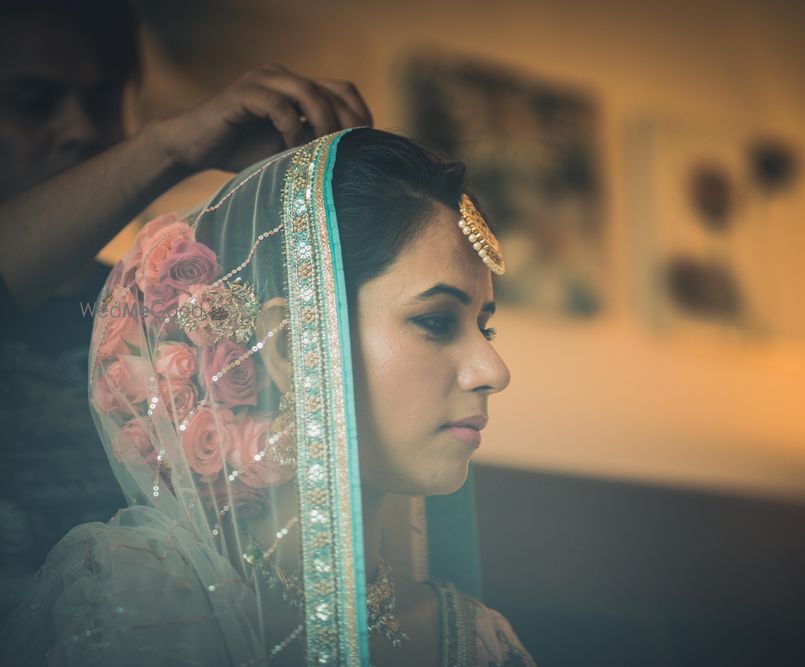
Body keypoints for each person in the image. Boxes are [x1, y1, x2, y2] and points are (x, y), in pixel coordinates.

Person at [0, 127, 536, 666]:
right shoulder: (139, 606)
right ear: (289, 344)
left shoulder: (478, 641)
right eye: (437, 320)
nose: (494, 370)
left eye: (484, 329)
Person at [0, 0, 371, 628]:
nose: (81, 130)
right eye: (33, 101)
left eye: (101, 101)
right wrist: (172, 144)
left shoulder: (162, 305)